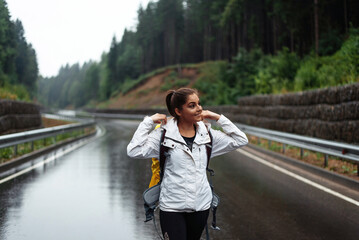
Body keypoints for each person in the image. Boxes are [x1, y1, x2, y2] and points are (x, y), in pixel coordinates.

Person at [127, 88, 248, 240]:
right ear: (178, 111)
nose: (199, 108)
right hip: (172, 206)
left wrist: (216, 117)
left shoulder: (208, 135)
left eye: (199, 104)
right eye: (192, 105)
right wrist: (148, 122)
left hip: (201, 206)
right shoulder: (163, 136)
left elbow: (241, 140)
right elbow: (133, 150)